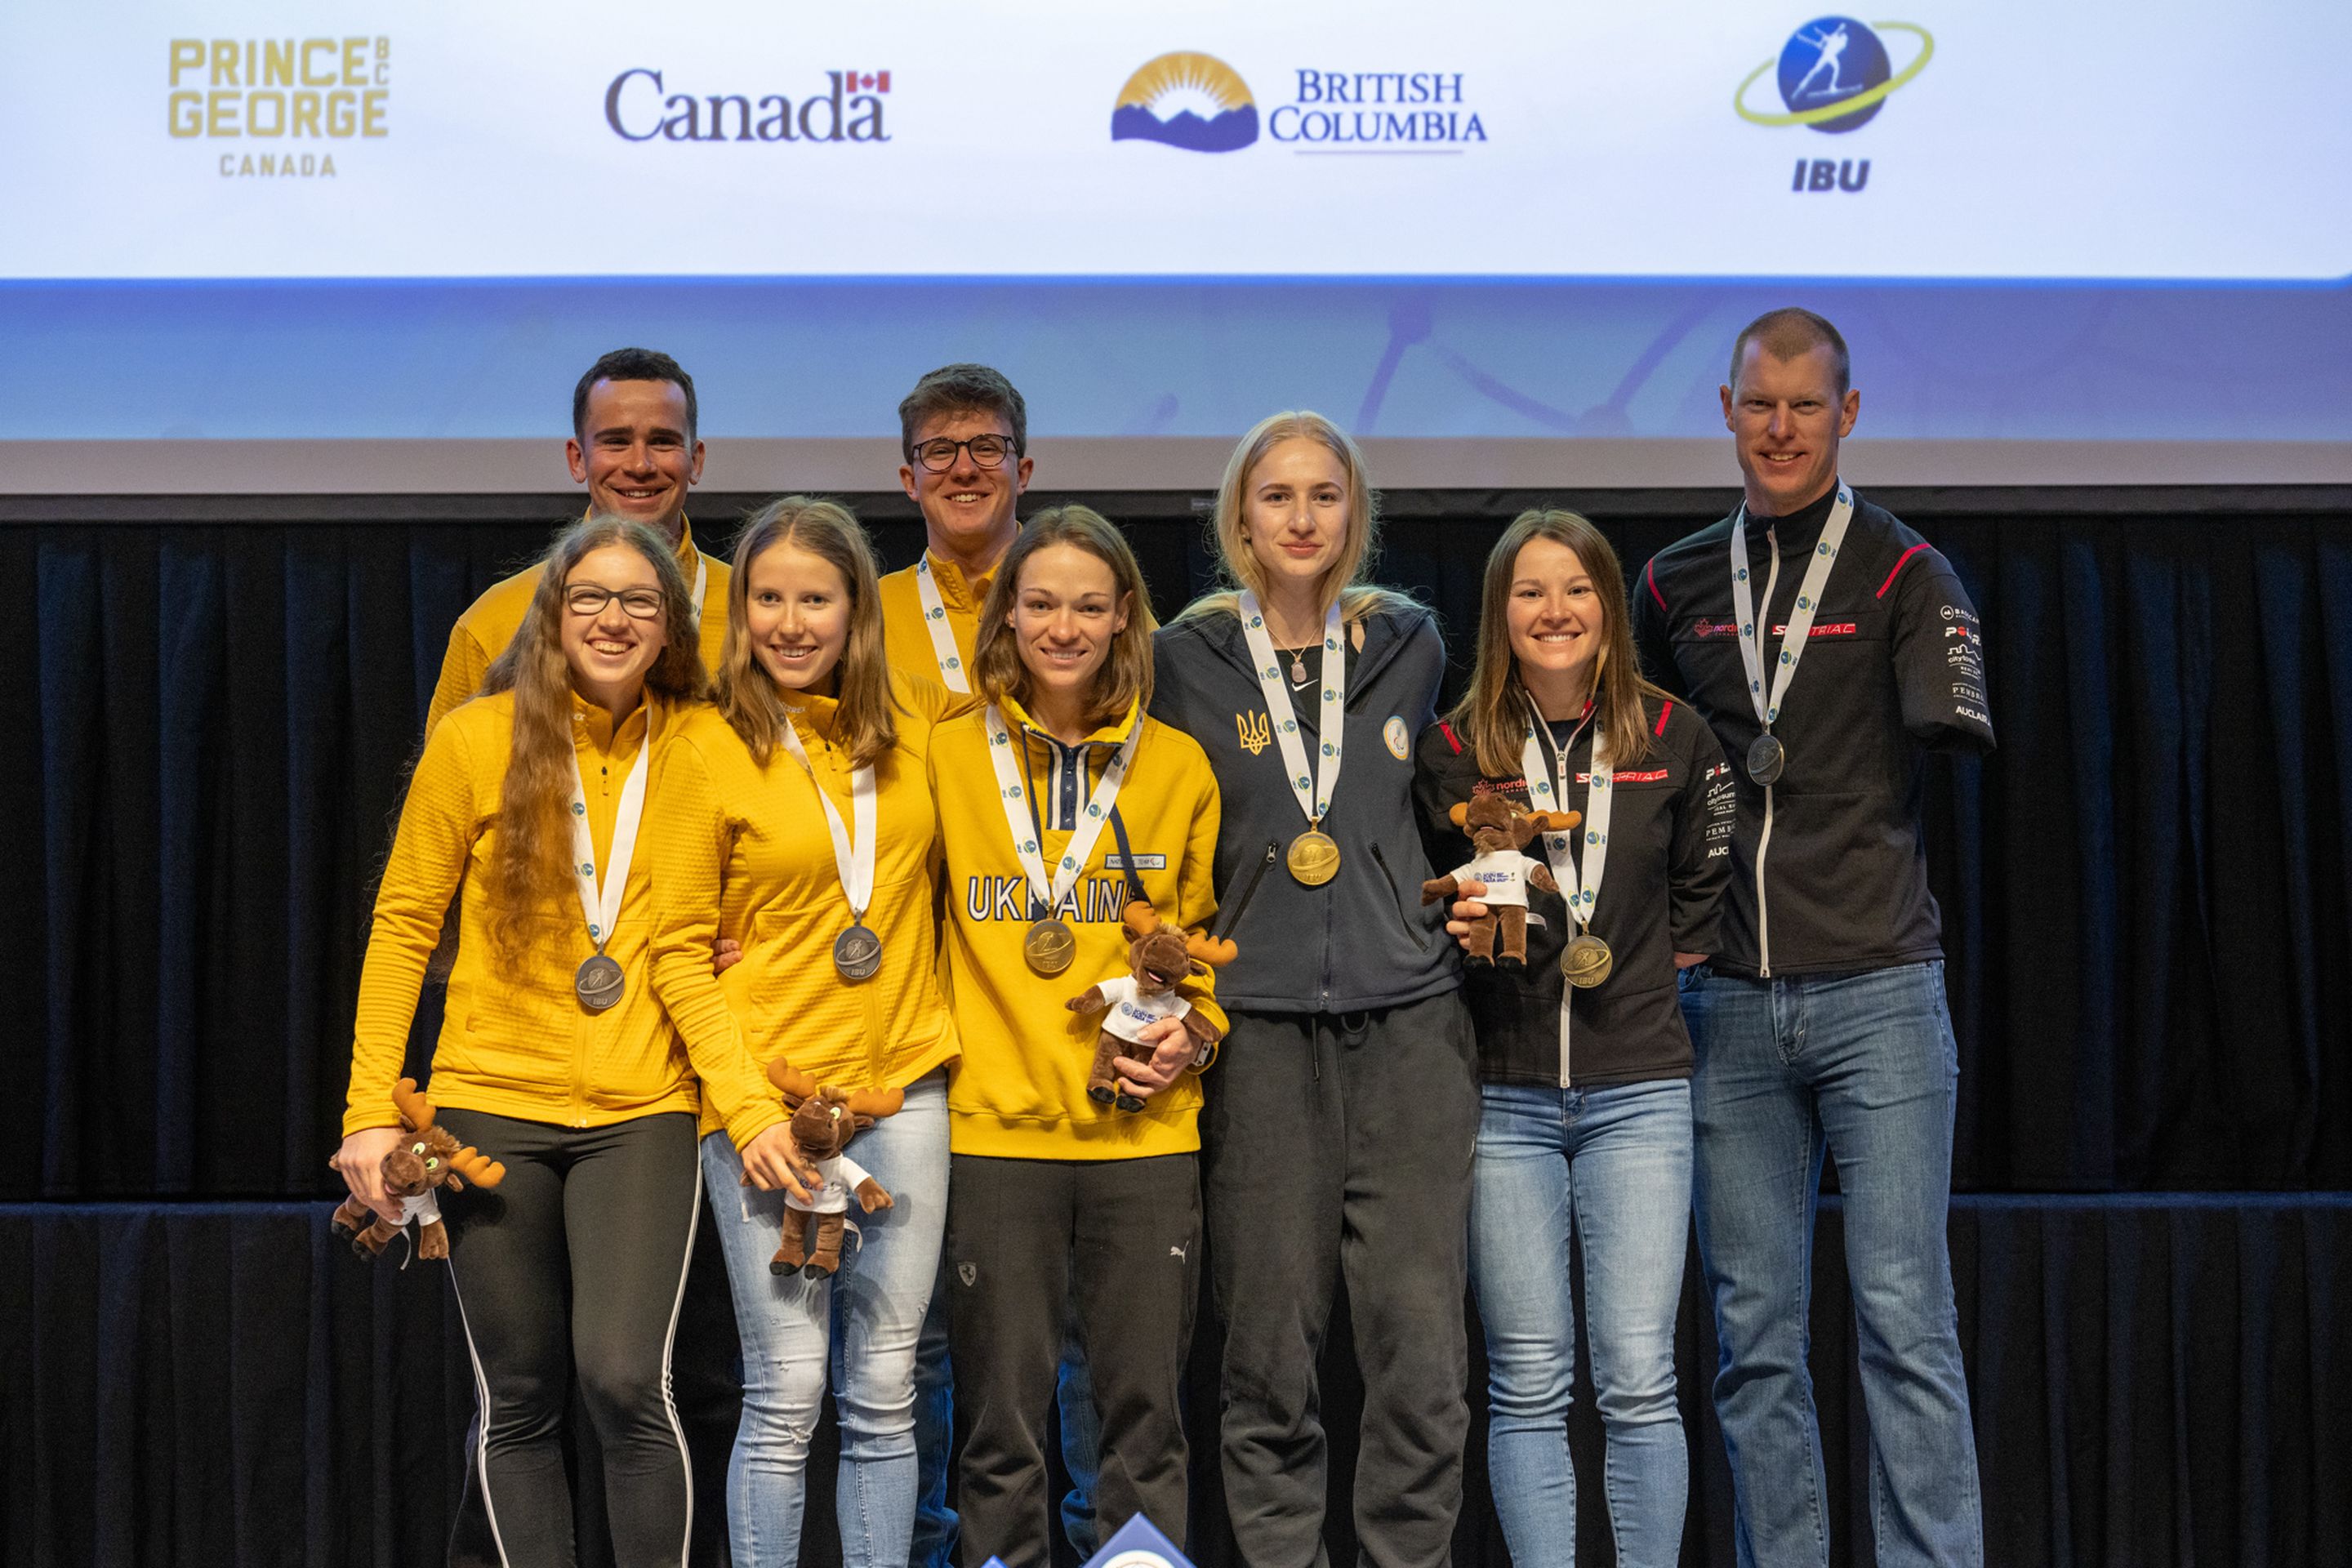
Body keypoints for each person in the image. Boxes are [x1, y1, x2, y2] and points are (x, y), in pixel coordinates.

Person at [331, 514, 800, 1567]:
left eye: (640, 600)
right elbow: (405, 922)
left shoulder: (705, 741)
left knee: (628, 1380)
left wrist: (747, 981)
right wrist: (368, 1108)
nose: (614, 618)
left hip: (642, 1112)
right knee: (521, 1397)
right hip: (490, 1102)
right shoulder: (475, 738)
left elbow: (755, 899)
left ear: (671, 625)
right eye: (589, 597)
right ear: (552, 615)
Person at [1630, 308, 1993, 1567]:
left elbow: (1948, 739)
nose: (1778, 428)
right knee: (1754, 1338)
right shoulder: (1673, 582)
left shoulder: (1905, 573)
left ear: (1849, 414)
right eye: (1757, 404)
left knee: (1905, 1319)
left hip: (1880, 991)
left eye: (1803, 406)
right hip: (1725, 1003)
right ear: (1724, 409)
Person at [1151, 411, 1475, 1568]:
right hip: (1258, 1037)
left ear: (1355, 513)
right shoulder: (1179, 658)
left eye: (1324, 496)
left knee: (1421, 1354)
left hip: (1408, 1035)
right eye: (1277, 496)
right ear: (1240, 515)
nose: (1301, 517)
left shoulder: (1408, 642)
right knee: (1267, 1359)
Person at [644, 497, 960, 1565]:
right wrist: (743, 1114)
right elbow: (678, 950)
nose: (789, 621)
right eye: (767, 599)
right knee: (786, 1392)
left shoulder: (920, 724)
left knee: (884, 1389)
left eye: (814, 599)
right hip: (768, 1112)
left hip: (905, 1096)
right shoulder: (702, 744)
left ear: (855, 611)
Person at [1414, 510, 1731, 1567]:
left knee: (1639, 1375)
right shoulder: (1455, 749)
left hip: (1638, 1094)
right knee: (1529, 1376)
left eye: (1578, 590)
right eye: (1531, 592)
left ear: (1609, 607)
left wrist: (1628, 963)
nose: (1556, 612)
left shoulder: (1674, 736)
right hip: (1501, 1094)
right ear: (1500, 612)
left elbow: (1701, 895)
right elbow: (1435, 912)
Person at [927, 506, 1223, 1564]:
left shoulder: (1179, 765)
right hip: (996, 1137)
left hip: (1144, 1141)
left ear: (1124, 616)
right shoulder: (946, 755)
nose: (1063, 625)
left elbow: (1206, 948)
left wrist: (1197, 1035)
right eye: (1041, 602)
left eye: (1088, 605)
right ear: (1008, 613)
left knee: (1141, 1424)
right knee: (999, 1432)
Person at [877, 363, 1103, 1566]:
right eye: (942, 448)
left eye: (989, 445)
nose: (966, 466)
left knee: (1075, 1343)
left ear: (1030, 462)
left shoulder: (1094, 610)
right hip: (904, 1014)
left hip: (1057, 1021)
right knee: (920, 1340)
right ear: (903, 473)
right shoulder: (861, 619)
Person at [427, 347, 731, 734]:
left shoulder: (754, 616)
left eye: (663, 441)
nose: (640, 465)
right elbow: (451, 781)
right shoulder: (493, 624)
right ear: (577, 459)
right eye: (616, 442)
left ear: (696, 460)